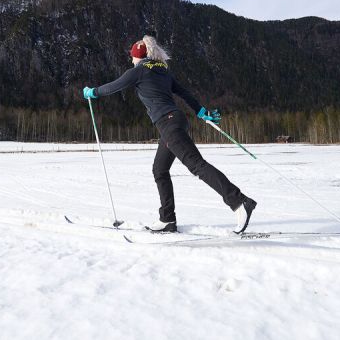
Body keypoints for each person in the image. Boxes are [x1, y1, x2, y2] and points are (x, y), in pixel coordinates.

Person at [82, 35, 257, 234]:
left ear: (138, 56)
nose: (131, 60)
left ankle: (239, 202)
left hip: (168, 123)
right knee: (160, 169)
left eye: (132, 57)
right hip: (175, 121)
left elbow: (114, 86)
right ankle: (167, 219)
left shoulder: (138, 71)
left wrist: (92, 92)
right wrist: (201, 112)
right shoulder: (163, 70)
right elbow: (185, 93)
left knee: (197, 165)